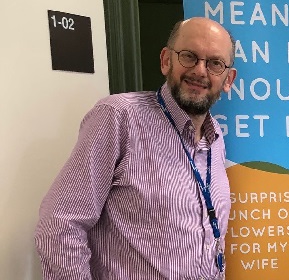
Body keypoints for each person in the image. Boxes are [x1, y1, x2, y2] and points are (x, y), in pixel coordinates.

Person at [35, 17, 237, 279]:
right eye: (189, 56)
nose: (200, 71)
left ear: (228, 78)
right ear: (166, 60)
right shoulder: (119, 117)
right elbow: (60, 224)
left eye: (215, 63)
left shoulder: (215, 139)